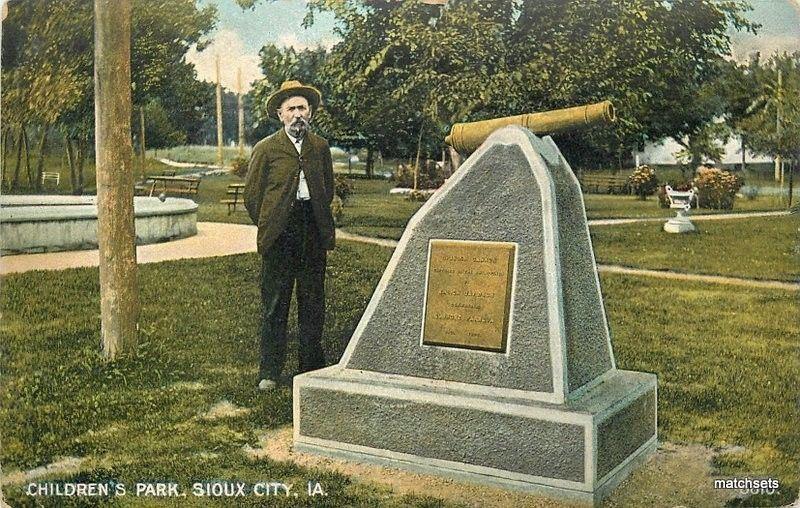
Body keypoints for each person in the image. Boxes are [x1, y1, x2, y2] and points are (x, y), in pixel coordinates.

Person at [244, 80, 336, 391]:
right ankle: (270, 371)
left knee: (312, 301)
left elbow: (328, 188)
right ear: (281, 115)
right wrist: (271, 223)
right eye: (291, 109)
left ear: (310, 114)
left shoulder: (320, 148)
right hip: (280, 234)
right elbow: (252, 197)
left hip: (312, 229)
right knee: (275, 303)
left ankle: (310, 367)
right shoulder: (266, 149)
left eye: (303, 108)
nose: (298, 114)